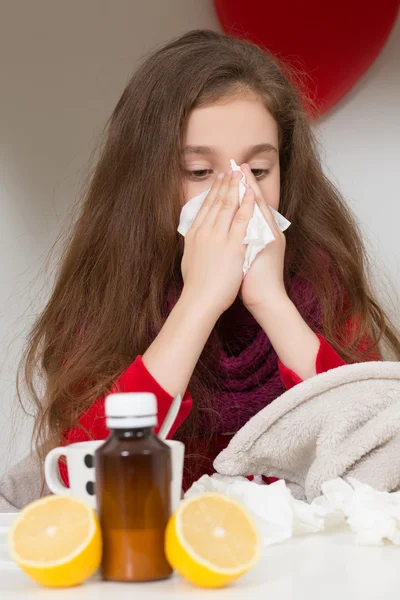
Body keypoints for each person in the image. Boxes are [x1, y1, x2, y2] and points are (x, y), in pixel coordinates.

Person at [15, 30, 400, 495]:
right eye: (200, 172)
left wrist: (271, 301)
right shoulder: (109, 287)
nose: (237, 193)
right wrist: (199, 302)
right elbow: (86, 478)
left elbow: (376, 458)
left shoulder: (319, 275)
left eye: (258, 171)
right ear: (147, 180)